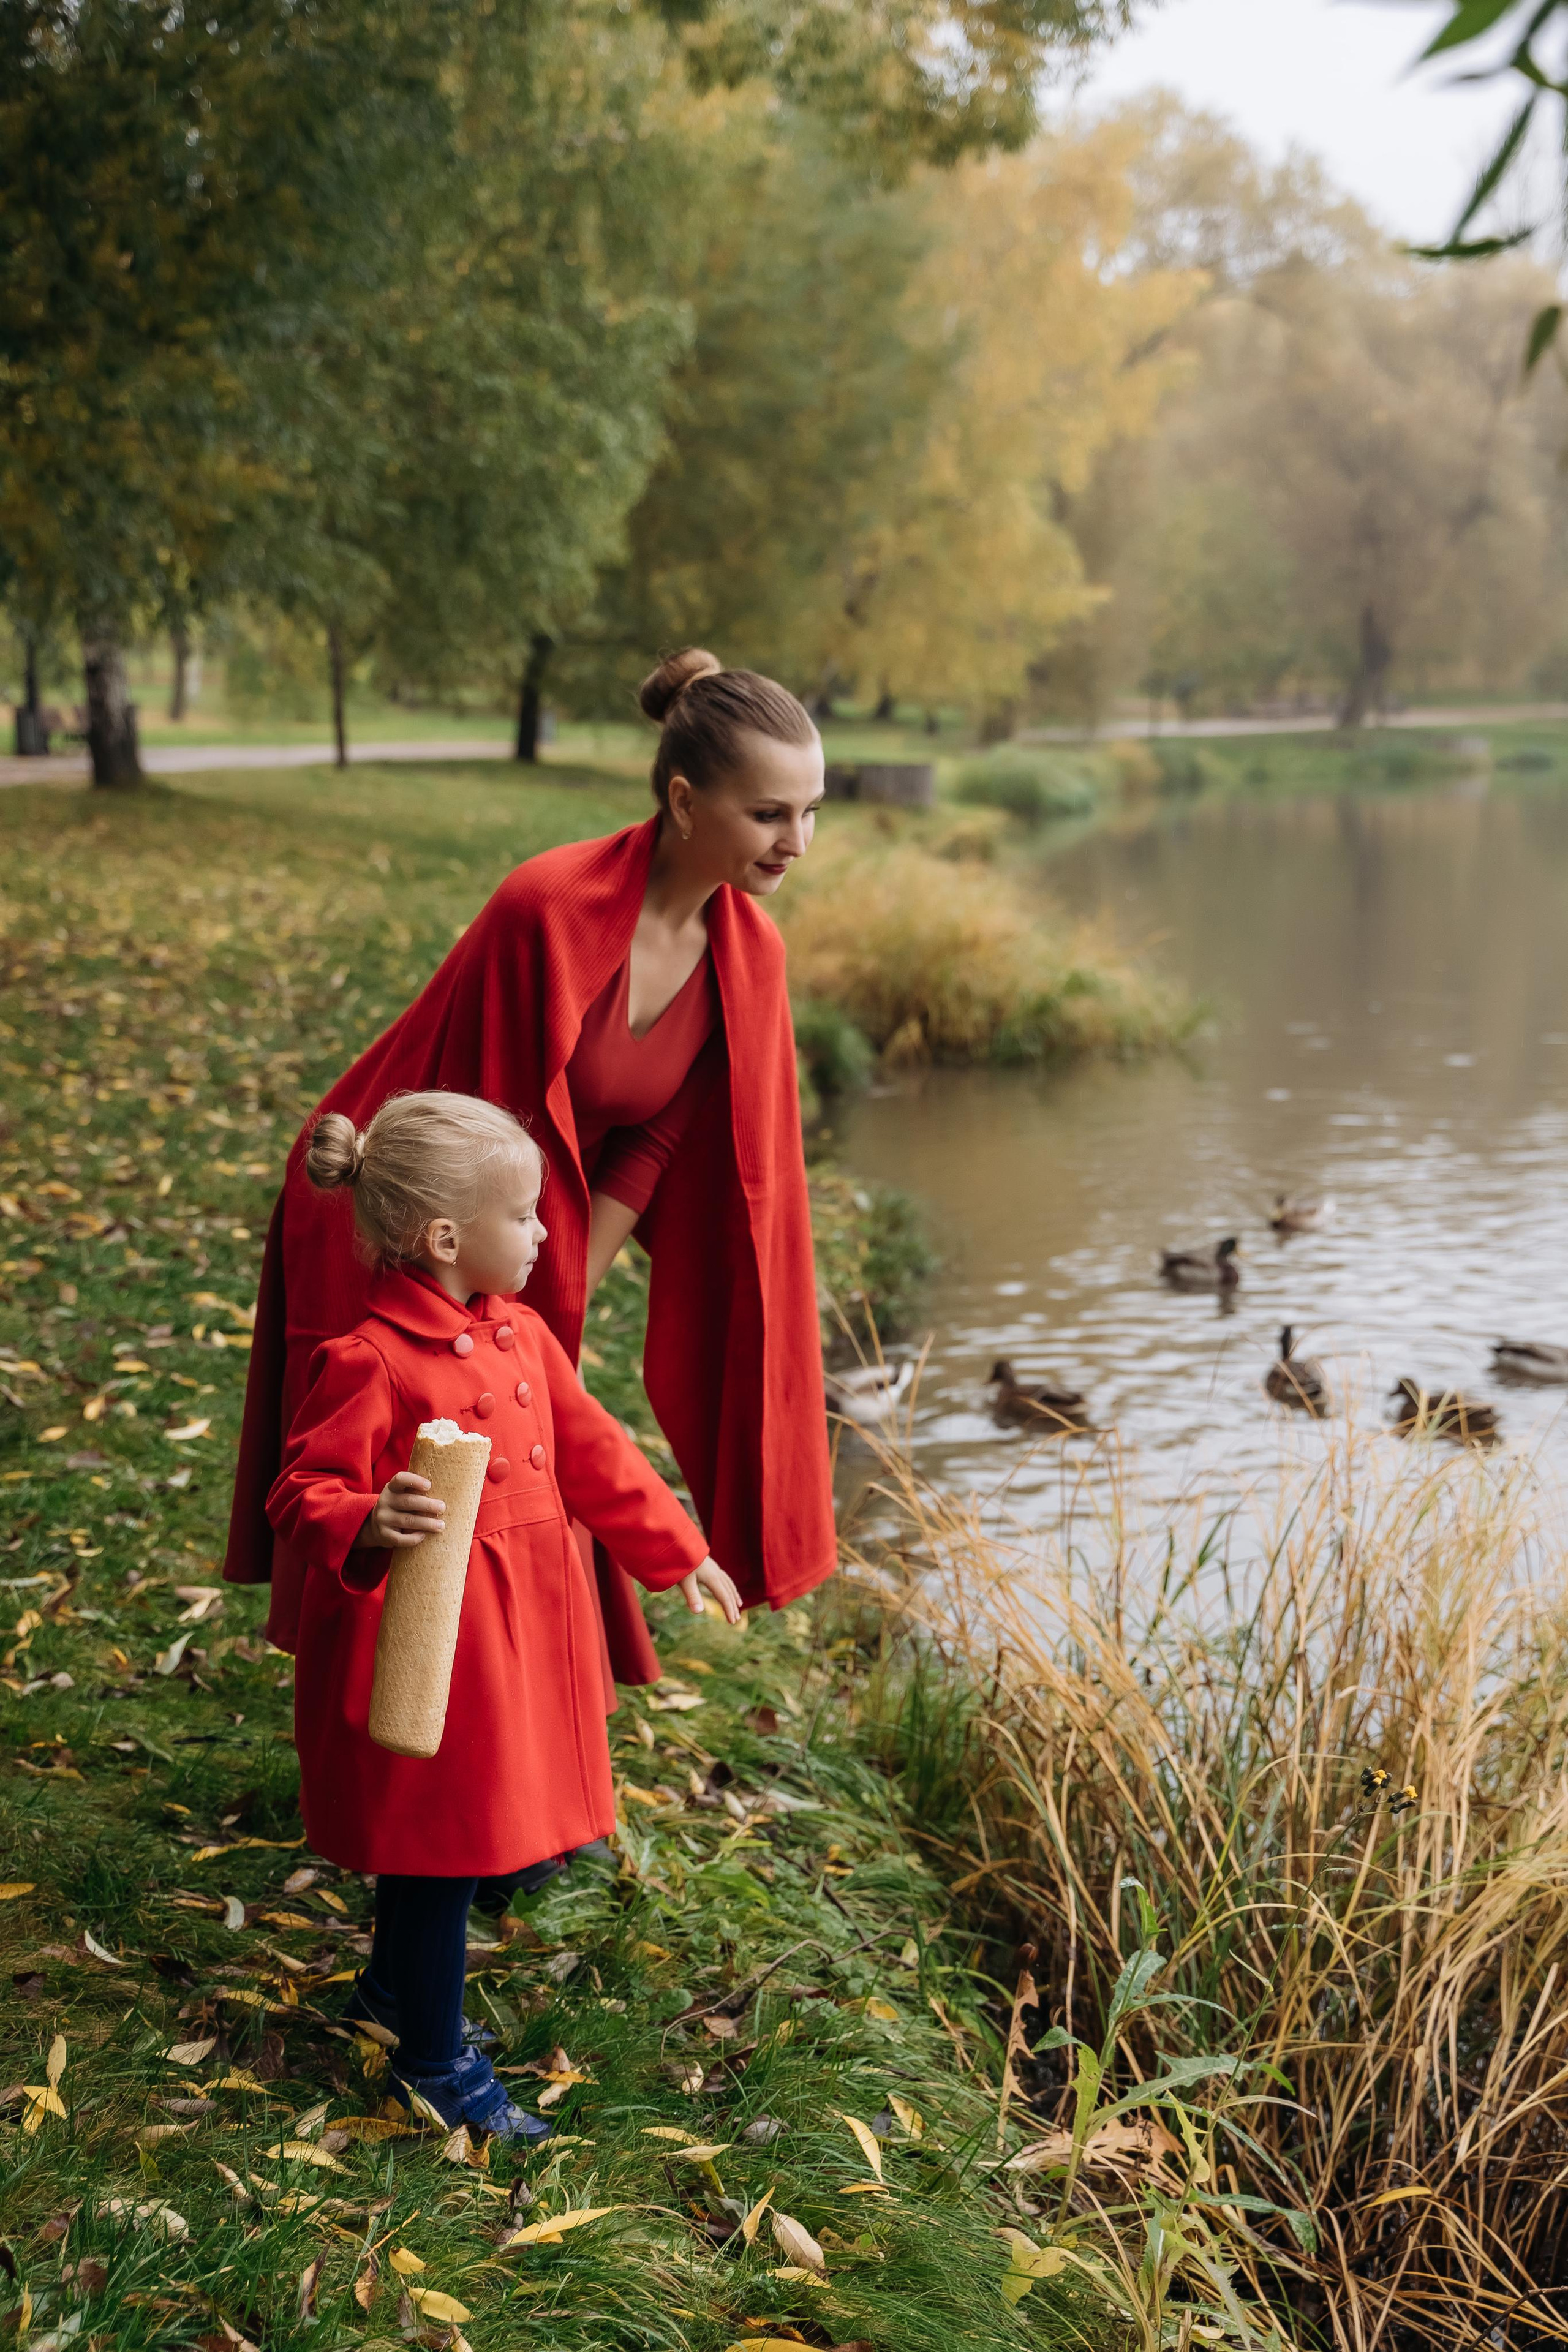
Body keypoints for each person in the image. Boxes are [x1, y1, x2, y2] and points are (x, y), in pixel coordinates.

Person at [224, 646, 837, 1696]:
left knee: (528, 1425)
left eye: (812, 811)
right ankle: (389, 1710)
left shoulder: (750, 956)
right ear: (684, 802)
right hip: (400, 1193)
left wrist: (571, 1273)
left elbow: (662, 1141)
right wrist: (526, 1282)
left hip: (524, 1209)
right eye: (770, 813)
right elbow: (477, 1123)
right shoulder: (547, 909)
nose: (798, 841)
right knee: (410, 1453)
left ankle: (520, 1703)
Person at [268, 1090, 742, 2138]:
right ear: (446, 1239)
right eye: (523, 1216)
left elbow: (598, 1452)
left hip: (518, 1635)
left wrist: (683, 1554)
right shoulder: (372, 1359)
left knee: (451, 1844)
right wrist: (368, 1516)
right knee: (443, 1847)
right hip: (431, 1646)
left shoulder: (521, 1336)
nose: (543, 1235)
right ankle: (433, 2065)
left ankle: (391, 1994)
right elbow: (300, 1492)